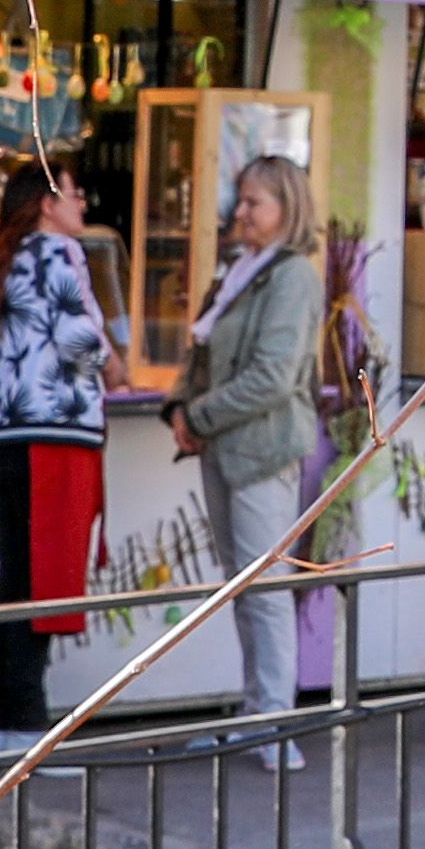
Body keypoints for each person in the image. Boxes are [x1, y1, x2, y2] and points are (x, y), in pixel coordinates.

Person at [176, 154, 326, 749]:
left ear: (286, 209)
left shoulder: (293, 276)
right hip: (224, 446)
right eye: (240, 200)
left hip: (261, 450)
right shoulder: (242, 268)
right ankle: (254, 713)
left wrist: (198, 414)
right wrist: (180, 407)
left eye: (253, 202)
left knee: (264, 590)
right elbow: (206, 349)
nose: (240, 213)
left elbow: (275, 376)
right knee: (240, 587)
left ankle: (272, 725)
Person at [0, 160, 109, 750]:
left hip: (2, 434)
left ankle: (10, 717)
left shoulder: (2, 256)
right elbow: (79, 343)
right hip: (50, 436)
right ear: (48, 202)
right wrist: (110, 370)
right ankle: (21, 726)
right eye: (76, 193)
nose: (83, 205)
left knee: (14, 575)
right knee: (39, 582)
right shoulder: (56, 251)